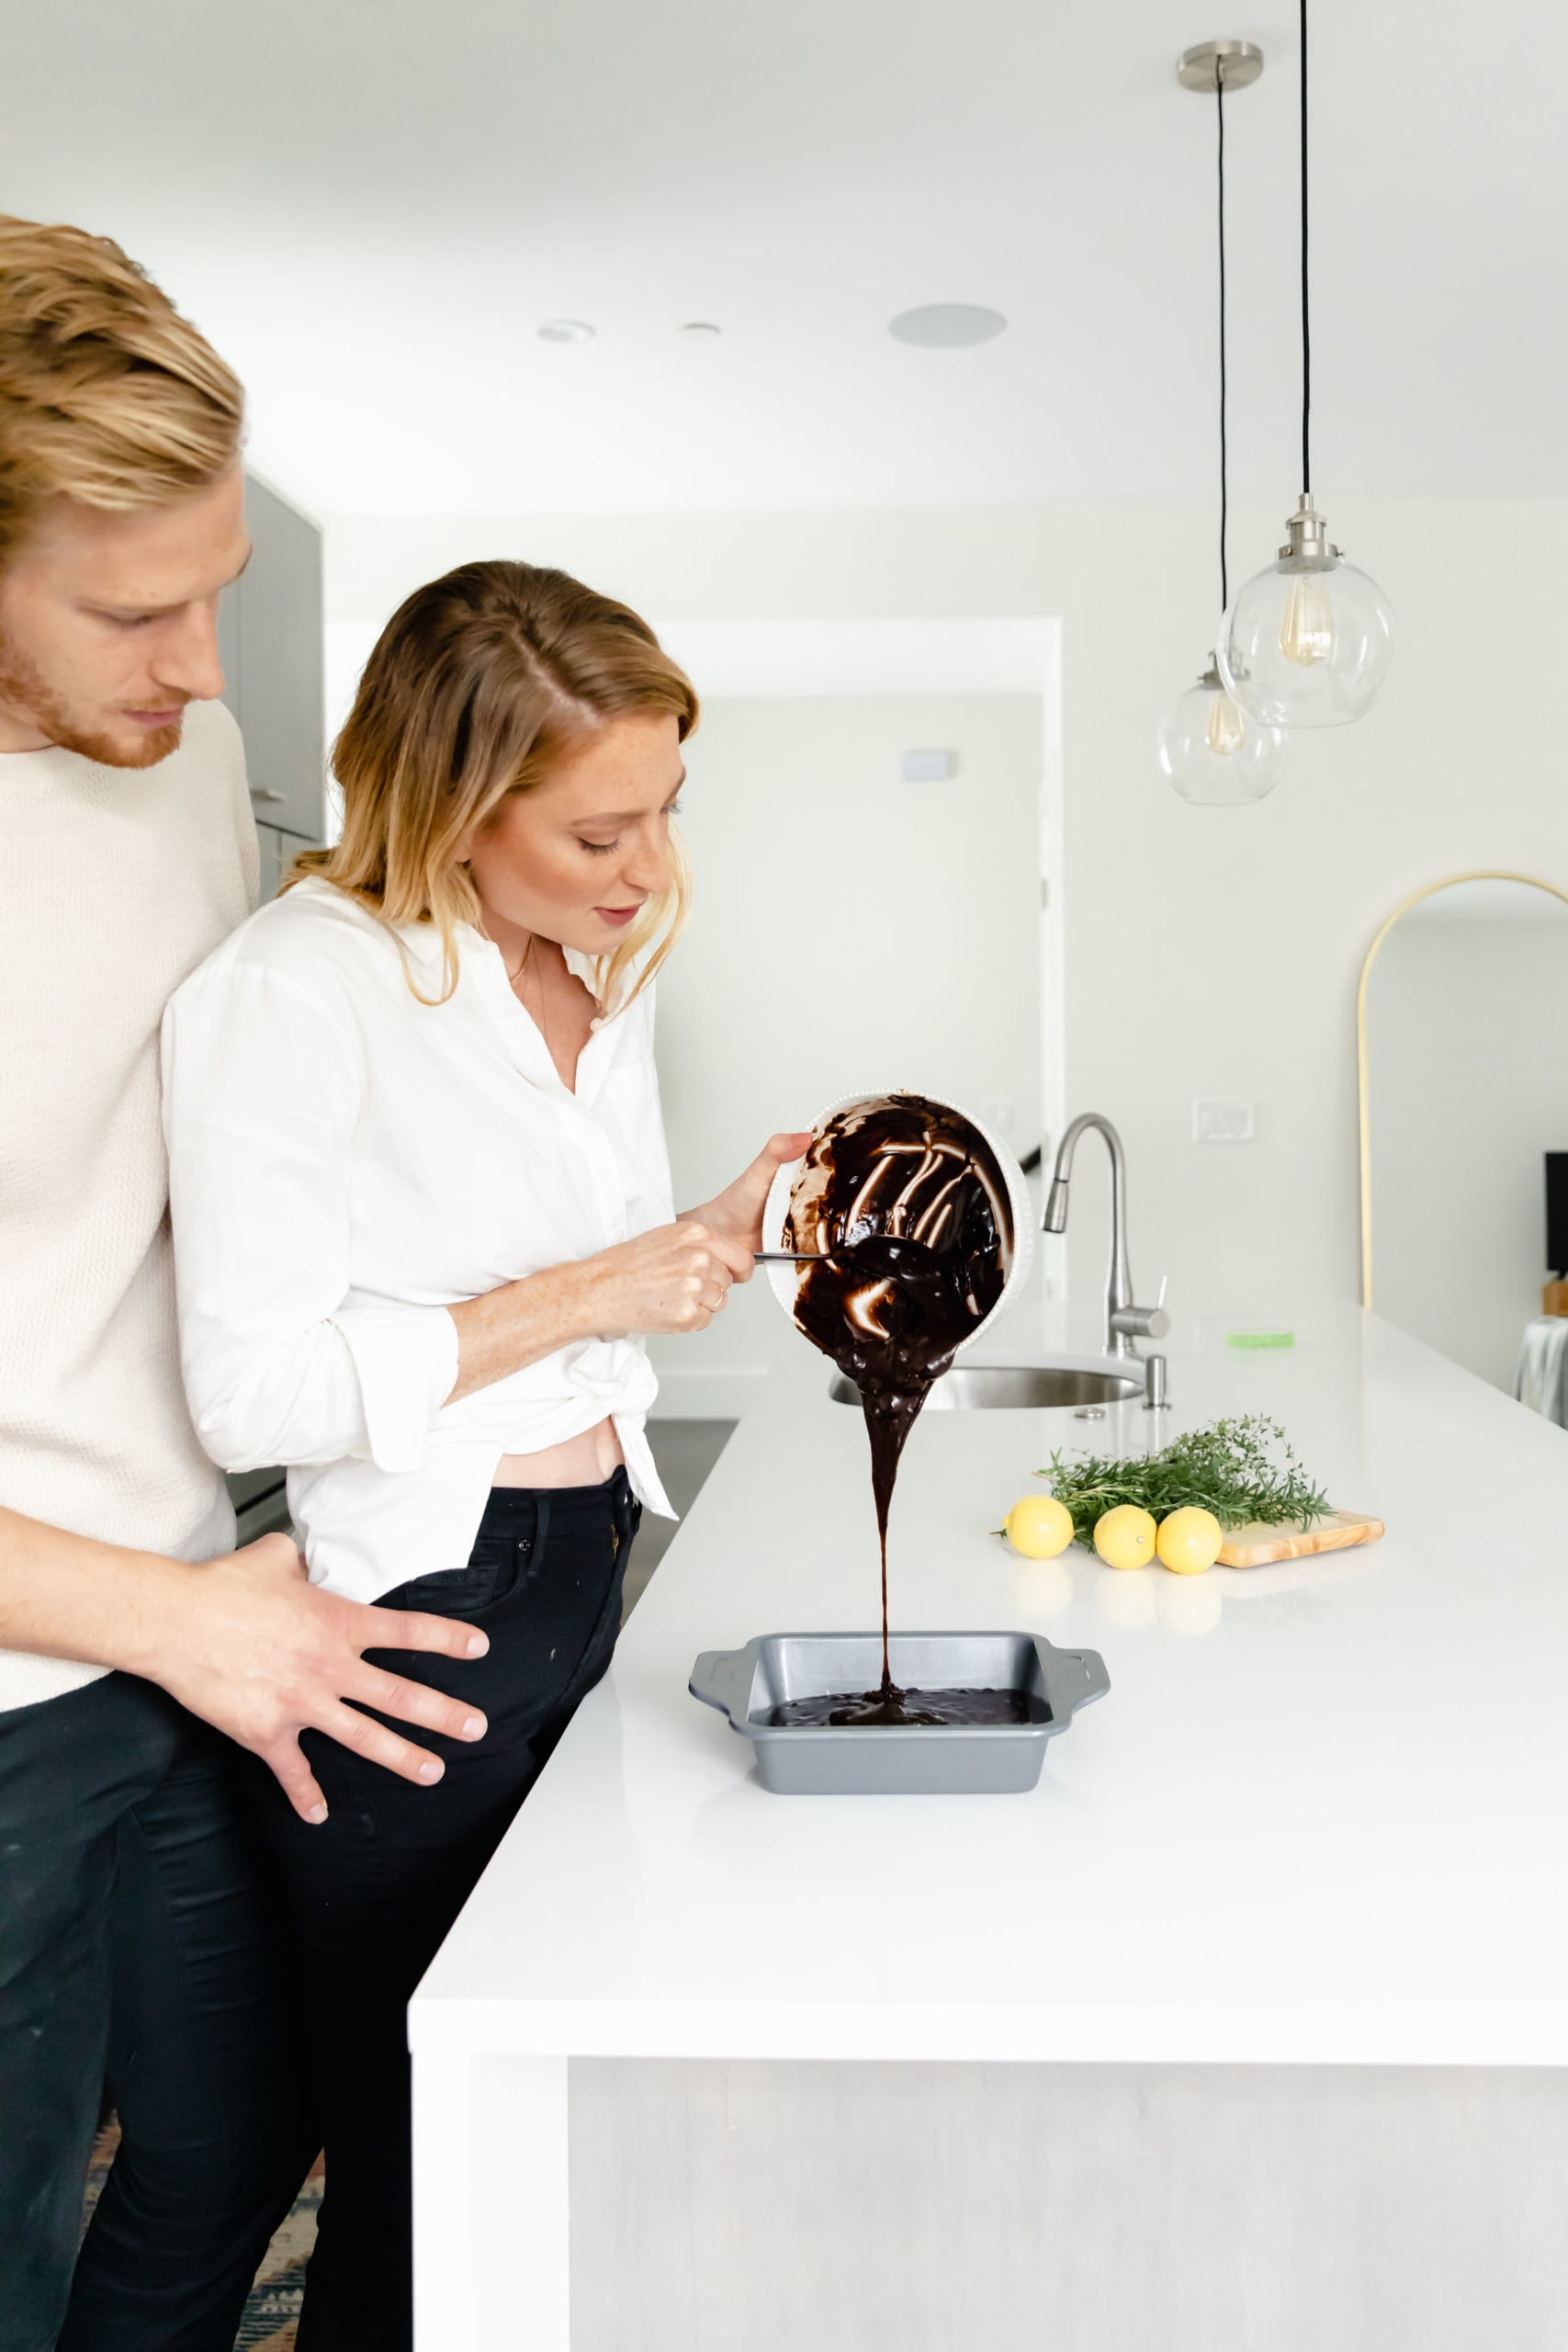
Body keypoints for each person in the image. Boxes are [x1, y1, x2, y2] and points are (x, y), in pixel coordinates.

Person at [161, 558, 808, 2349]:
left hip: (582, 1557)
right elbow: (253, 1391)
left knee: (538, 2091)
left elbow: (584, 1305)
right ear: (449, 797)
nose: (647, 871)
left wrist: (720, 1230)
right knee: (421, 2141)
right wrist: (594, 1281)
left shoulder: (600, 975)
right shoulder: (299, 993)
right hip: (421, 1617)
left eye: (665, 814)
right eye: (598, 832)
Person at [0, 217, 490, 2350]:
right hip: (58, 1671)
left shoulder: (174, 745)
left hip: (193, 1624)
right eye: (137, 605)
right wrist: (180, 1613)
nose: (205, 663)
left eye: (222, 586)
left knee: (223, 2163)